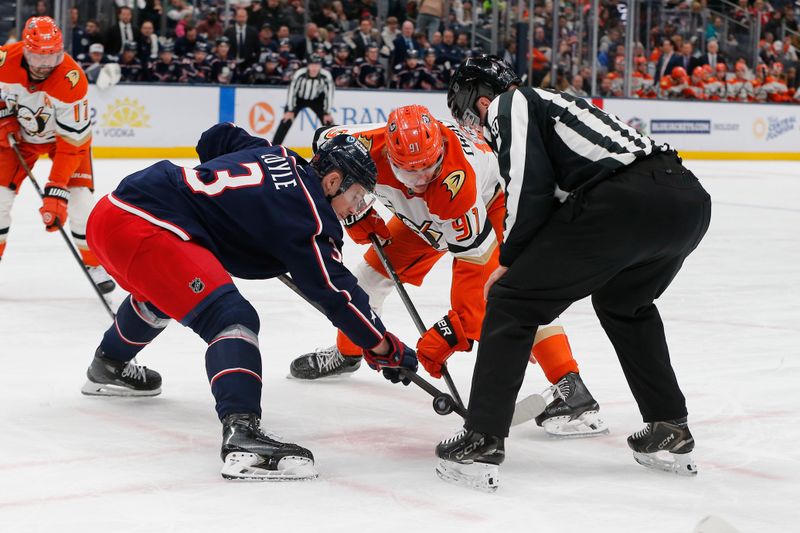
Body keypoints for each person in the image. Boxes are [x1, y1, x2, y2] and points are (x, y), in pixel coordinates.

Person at [81, 123, 418, 481]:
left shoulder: (282, 156)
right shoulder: (310, 218)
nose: (357, 208)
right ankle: (242, 435)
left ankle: (109, 365)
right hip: (146, 228)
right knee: (232, 318)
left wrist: (246, 202)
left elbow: (216, 137)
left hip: (114, 211)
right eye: (358, 196)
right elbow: (337, 293)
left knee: (169, 292)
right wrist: (383, 345)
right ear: (333, 181)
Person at [436, 56, 711, 490]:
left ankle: (483, 437)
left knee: (510, 301)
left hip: (625, 202)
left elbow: (529, 188)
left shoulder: (513, 104)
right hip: (687, 200)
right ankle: (669, 425)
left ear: (478, 100)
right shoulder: (557, 103)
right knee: (625, 304)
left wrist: (509, 260)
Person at [291, 105, 607, 438]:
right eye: (409, 173)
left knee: (516, 295)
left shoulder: (456, 187)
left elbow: (474, 273)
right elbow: (324, 144)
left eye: (429, 168)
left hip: (490, 207)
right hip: (420, 218)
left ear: (440, 150)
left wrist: (451, 331)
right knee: (366, 281)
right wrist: (357, 213)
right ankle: (349, 351)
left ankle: (572, 387)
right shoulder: (362, 145)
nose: (420, 180)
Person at [0, 17, 115, 292]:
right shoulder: (4, 60)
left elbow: (72, 143)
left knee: (81, 206)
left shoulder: (71, 80)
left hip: (63, 143)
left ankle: (94, 264)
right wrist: (3, 115)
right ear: (24, 50)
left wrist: (56, 192)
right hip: (18, 139)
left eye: (52, 57)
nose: (44, 66)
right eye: (37, 58)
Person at [272, 54, 334, 145]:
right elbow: (292, 91)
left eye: (317, 65)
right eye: (312, 64)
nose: (314, 67)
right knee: (286, 120)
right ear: (308, 65)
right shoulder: (300, 74)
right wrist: (290, 110)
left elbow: (329, 94)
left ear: (320, 65)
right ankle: (274, 147)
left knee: (329, 122)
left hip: (317, 100)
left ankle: (336, 146)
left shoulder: (325, 76)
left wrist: (327, 112)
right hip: (298, 100)